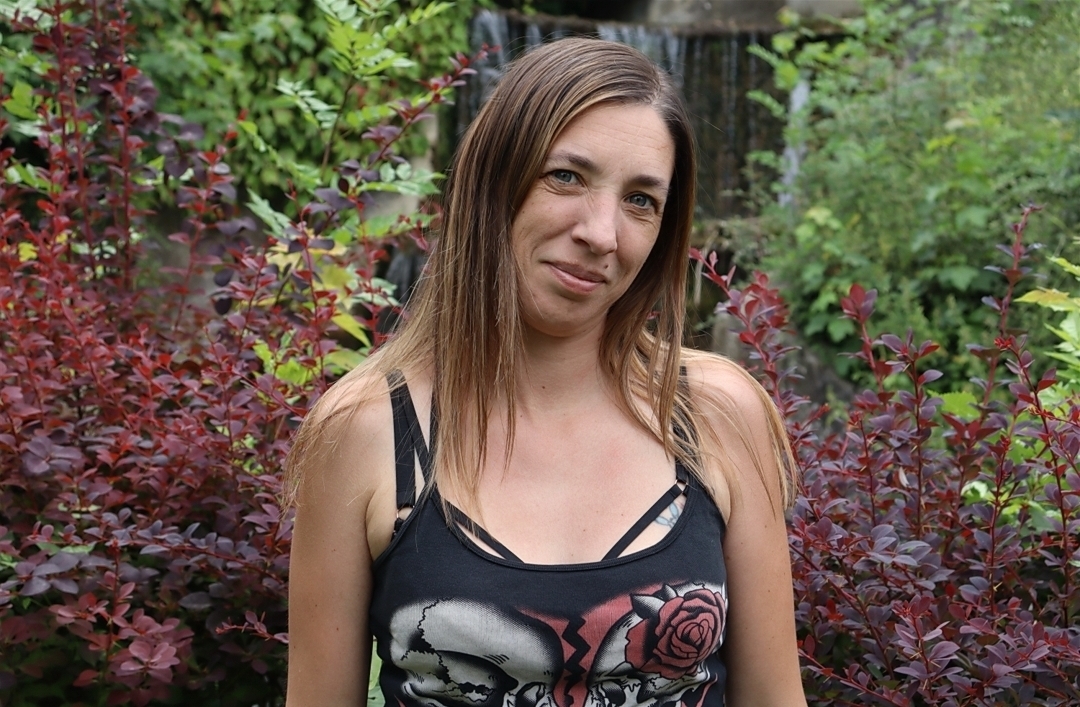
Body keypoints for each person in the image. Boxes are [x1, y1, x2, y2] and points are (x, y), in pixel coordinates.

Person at [283, 37, 807, 707]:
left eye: (640, 200)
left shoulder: (715, 417)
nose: (602, 234)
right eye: (567, 176)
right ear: (493, 180)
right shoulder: (366, 430)